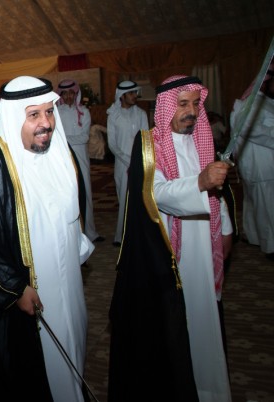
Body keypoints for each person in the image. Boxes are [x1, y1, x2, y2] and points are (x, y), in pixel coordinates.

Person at [0, 76, 94, 401]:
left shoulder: (64, 155)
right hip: (30, 295)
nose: (46, 123)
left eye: (49, 112)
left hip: (70, 285)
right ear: (14, 117)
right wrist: (14, 288)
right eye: (34, 115)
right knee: (37, 371)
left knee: (73, 348)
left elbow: (76, 215)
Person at [108, 75, 233, 402]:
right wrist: (200, 183)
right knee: (176, 326)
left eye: (195, 104)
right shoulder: (149, 145)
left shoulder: (202, 139)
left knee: (204, 321)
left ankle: (208, 391)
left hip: (205, 249)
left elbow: (217, 194)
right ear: (165, 107)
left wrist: (225, 229)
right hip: (169, 254)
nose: (190, 111)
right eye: (182, 104)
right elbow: (156, 194)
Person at [230, 67, 274, 261]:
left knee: (255, 203)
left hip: (259, 163)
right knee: (267, 206)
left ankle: (253, 236)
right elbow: (248, 128)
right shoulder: (251, 103)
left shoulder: (263, 102)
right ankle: (271, 246)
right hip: (261, 164)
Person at [57, 78, 104, 242]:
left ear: (75, 93)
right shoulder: (56, 113)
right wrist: (65, 140)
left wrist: (64, 139)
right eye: (65, 94)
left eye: (71, 93)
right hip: (63, 159)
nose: (68, 96)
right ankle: (72, 235)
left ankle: (90, 232)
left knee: (86, 194)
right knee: (67, 196)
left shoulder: (84, 112)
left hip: (81, 158)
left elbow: (84, 137)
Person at [106, 80, 149, 246]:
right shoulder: (113, 116)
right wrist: (127, 159)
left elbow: (145, 139)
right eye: (131, 93)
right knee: (124, 199)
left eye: (135, 93)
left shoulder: (141, 114)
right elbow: (112, 144)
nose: (134, 96)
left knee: (141, 199)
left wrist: (139, 160)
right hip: (122, 164)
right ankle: (121, 236)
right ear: (122, 96)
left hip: (140, 162)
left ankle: (141, 235)